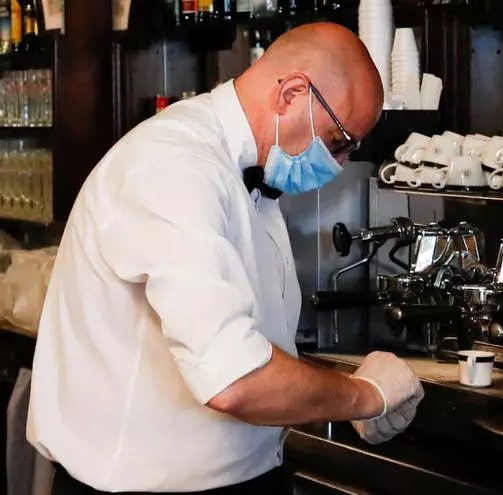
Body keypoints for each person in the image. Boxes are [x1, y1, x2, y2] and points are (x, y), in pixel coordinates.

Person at [26, 22, 424, 494]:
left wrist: (328, 394)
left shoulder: (247, 169)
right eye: (338, 141)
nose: (338, 165)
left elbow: (253, 343)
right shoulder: (174, 167)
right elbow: (234, 378)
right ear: (292, 94)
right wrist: (364, 395)